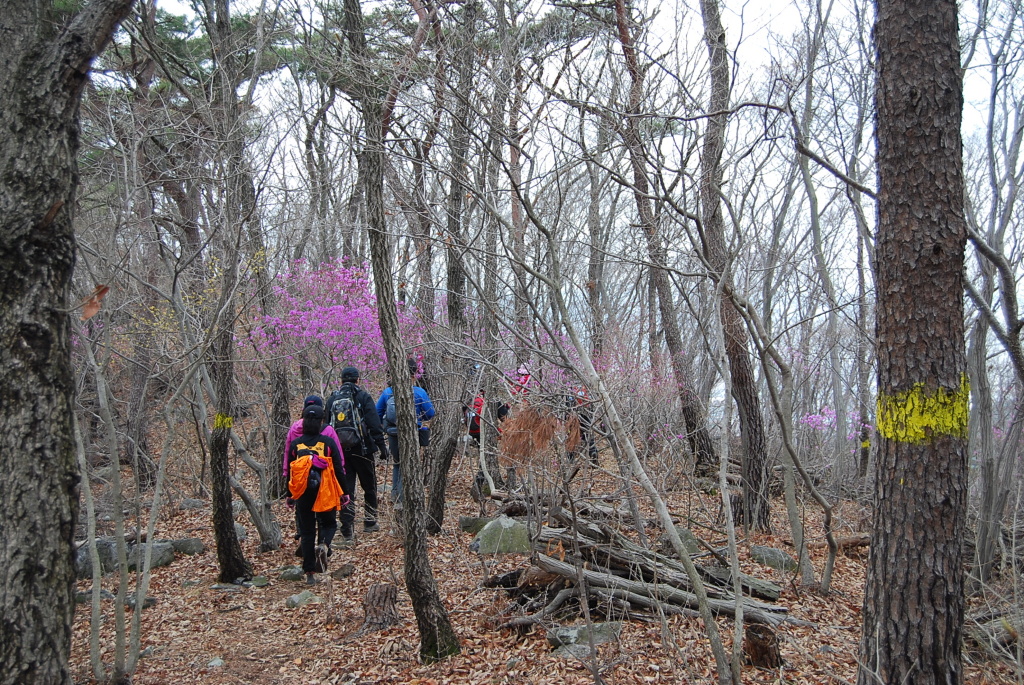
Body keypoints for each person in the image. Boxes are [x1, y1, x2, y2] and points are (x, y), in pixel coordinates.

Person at [286, 402, 347, 585]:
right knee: (329, 524)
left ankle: (310, 572)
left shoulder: (296, 445)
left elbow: (291, 471)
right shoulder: (327, 443)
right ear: (321, 422)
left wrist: (289, 494)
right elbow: (338, 468)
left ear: (303, 421)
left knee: (306, 531)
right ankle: (324, 545)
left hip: (304, 492)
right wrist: (344, 492)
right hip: (325, 491)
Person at [326, 366, 389, 542]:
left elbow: (326, 426)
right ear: (357, 380)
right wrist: (381, 446)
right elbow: (374, 422)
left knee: (346, 489)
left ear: (341, 380)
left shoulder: (333, 399)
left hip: (340, 454)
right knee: (369, 486)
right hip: (363, 450)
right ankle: (370, 521)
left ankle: (347, 529)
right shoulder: (363, 397)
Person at [376, 358, 435, 504]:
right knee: (409, 464)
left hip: (392, 433)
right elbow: (430, 413)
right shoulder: (419, 392)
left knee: (398, 463)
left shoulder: (388, 392)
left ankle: (395, 495)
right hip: (413, 432)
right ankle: (404, 499)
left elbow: (377, 412)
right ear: (414, 374)